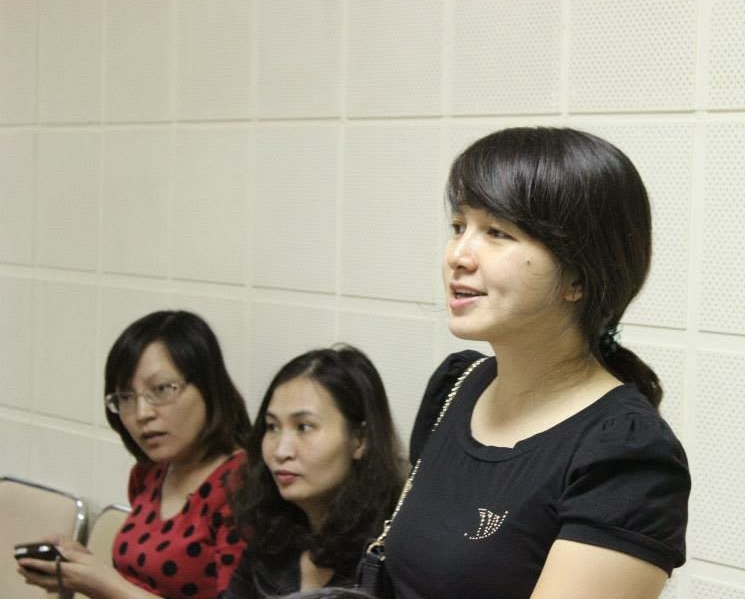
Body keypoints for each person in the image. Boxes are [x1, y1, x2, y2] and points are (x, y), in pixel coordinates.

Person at [383, 127, 691, 598]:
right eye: (459, 226)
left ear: (578, 277)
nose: (459, 256)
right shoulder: (457, 384)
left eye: (497, 233)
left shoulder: (626, 454)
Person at [17, 310, 252, 599]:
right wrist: (80, 571)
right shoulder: (150, 474)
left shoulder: (242, 485)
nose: (142, 413)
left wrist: (103, 582)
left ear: (208, 386)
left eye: (162, 389)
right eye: (125, 398)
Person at [225, 345, 405, 598]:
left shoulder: (393, 554)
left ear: (360, 439)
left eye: (304, 427)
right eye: (272, 427)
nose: (281, 451)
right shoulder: (272, 535)